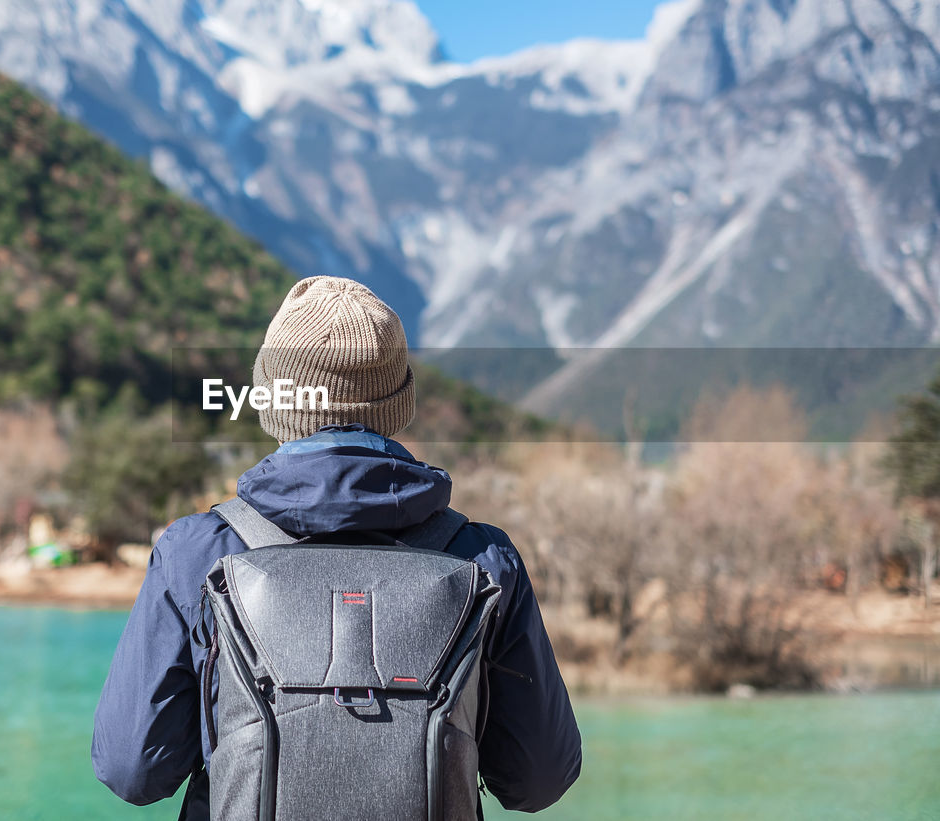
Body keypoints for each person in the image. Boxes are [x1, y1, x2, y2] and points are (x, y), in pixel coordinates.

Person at [92, 276, 582, 816]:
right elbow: (538, 781)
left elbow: (133, 771)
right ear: (399, 403)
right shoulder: (483, 559)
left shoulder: (198, 552)